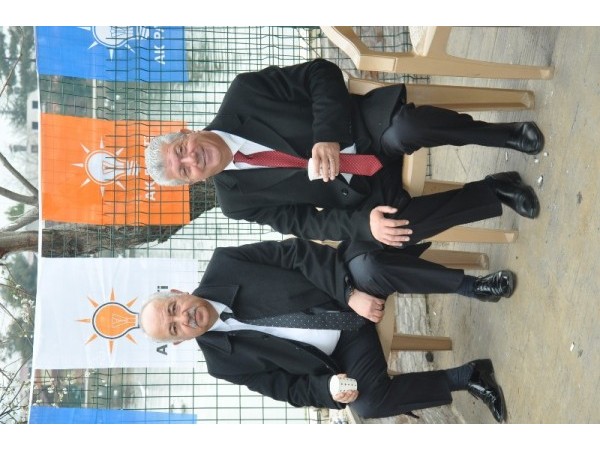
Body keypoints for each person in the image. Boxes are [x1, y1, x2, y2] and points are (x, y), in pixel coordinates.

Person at [145, 58, 542, 248]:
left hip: (364, 130)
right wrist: (365, 226)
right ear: (192, 182)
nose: (192, 160)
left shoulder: (244, 93)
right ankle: (496, 190)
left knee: (410, 128)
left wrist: (327, 136)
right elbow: (306, 223)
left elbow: (321, 73)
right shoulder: (235, 202)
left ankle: (505, 134)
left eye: (182, 149)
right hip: (359, 190)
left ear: (187, 132)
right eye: (184, 170)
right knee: (398, 232)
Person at [139, 238, 508, 423]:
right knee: (367, 404)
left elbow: (296, 253)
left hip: (342, 290)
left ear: (178, 293)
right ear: (178, 341)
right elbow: (286, 388)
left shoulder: (226, 263)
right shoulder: (223, 364)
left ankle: (473, 286)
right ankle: (469, 376)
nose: (183, 318)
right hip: (343, 352)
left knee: (371, 269)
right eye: (174, 328)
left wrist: (349, 295)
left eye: (174, 309)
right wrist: (328, 390)